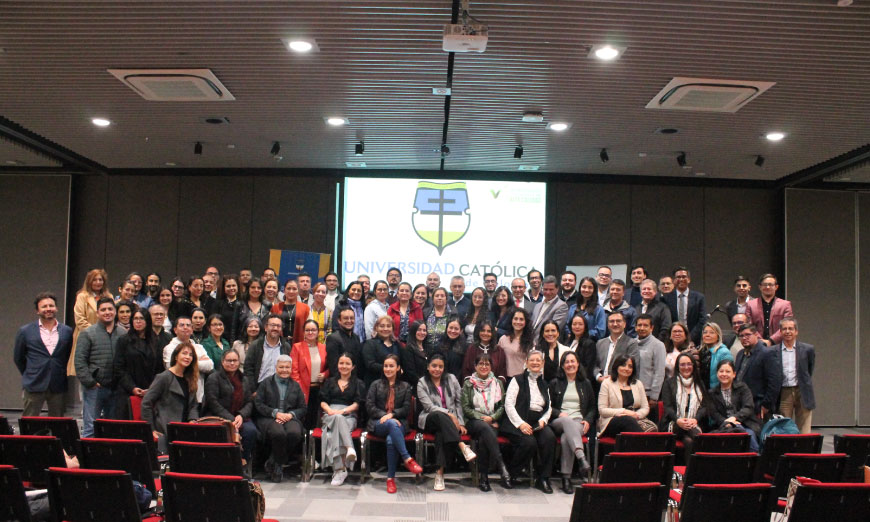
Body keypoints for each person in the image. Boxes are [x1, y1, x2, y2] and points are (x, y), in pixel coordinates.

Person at [417, 353, 477, 491]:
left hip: (449, 424)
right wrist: (450, 415)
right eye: (434, 366)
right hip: (429, 418)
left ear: (444, 368)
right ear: (428, 367)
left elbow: (459, 402)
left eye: (440, 366)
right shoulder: (422, 382)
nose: (437, 369)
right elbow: (429, 407)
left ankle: (439, 474)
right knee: (439, 415)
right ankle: (461, 445)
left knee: (441, 435)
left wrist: (461, 422)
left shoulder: (452, 379)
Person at [366, 354, 424, 493]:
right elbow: (369, 406)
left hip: (400, 423)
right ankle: (407, 459)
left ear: (398, 368)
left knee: (391, 439)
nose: (388, 369)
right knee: (392, 424)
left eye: (391, 366)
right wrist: (385, 416)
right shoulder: (375, 384)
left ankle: (390, 479)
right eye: (386, 366)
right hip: (378, 423)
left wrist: (392, 415)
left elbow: (406, 408)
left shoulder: (405, 386)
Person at [502, 350, 556, 493]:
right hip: (518, 420)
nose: (535, 363)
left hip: (538, 421)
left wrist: (544, 420)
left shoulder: (544, 383)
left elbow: (549, 406)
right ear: (526, 362)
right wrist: (520, 424)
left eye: (539, 360)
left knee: (549, 438)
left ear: (543, 363)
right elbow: (508, 404)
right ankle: (511, 473)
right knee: (529, 443)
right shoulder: (517, 380)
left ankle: (543, 478)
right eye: (532, 360)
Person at [14, 292, 73, 417]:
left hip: (58, 383)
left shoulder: (67, 331)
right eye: (44, 306)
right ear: (37, 311)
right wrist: (31, 372)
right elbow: (18, 358)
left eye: (51, 306)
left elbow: (66, 355)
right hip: (34, 383)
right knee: (30, 422)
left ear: (56, 308)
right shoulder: (25, 331)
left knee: (57, 423)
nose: (48, 309)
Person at [460, 353, 512, 491]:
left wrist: (493, 418)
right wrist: (483, 418)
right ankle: (501, 465)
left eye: (487, 364)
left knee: (485, 440)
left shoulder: (498, 383)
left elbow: (502, 405)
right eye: (481, 364)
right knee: (484, 429)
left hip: (492, 421)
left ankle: (484, 478)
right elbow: (465, 408)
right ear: (475, 366)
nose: (484, 367)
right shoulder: (468, 383)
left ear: (491, 367)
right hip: (473, 421)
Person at [75, 296, 126, 437]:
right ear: (97, 313)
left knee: (112, 428)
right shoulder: (87, 333)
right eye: (103, 310)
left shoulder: (123, 334)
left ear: (115, 312)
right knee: (90, 428)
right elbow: (80, 361)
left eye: (110, 309)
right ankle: (88, 458)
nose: (107, 312)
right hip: (94, 388)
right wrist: (90, 382)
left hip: (115, 389)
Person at [203, 349, 257, 477]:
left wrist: (241, 415)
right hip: (218, 417)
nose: (232, 363)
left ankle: (242, 464)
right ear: (222, 362)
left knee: (251, 431)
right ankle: (225, 466)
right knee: (226, 432)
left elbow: (249, 402)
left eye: (235, 361)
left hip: (240, 417)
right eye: (229, 361)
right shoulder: (214, 377)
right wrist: (231, 419)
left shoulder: (244, 379)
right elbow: (212, 402)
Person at [254, 354, 307, 483]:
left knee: (294, 433)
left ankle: (273, 461)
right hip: (269, 417)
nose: (284, 370)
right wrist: (275, 413)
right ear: (276, 367)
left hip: (289, 417)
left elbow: (302, 408)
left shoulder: (295, 385)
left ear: (291, 368)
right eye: (281, 367)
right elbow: (258, 404)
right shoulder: (266, 383)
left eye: (287, 367)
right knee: (278, 433)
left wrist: (290, 415)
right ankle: (277, 466)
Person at [548, 351, 594, 493]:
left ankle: (566, 478)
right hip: (558, 421)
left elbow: (593, 407)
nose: (570, 365)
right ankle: (581, 457)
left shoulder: (585, 383)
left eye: (573, 361)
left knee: (565, 439)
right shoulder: (555, 383)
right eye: (567, 362)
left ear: (578, 363)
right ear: (562, 366)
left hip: (579, 422)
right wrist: (558, 413)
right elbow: (547, 405)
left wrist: (587, 420)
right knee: (567, 422)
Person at [142, 342, 199, 452]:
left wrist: (193, 419)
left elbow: (194, 405)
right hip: (166, 429)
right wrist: (151, 429)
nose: (187, 357)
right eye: (184, 353)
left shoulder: (190, 378)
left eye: (191, 355)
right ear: (176, 356)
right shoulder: (163, 377)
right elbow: (146, 403)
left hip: (186, 429)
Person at [319, 353, 366, 485]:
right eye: (341, 363)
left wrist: (342, 411)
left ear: (353, 366)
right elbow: (323, 401)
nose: (344, 366)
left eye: (347, 363)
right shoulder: (329, 382)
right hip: (330, 415)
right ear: (337, 365)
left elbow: (357, 404)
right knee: (334, 425)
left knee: (330, 435)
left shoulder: (358, 383)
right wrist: (329, 411)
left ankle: (340, 470)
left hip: (349, 416)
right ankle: (349, 448)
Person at [113, 309, 163, 419]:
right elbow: (119, 368)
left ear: (147, 321)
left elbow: (159, 368)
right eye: (135, 319)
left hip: (150, 391)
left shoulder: (156, 340)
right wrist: (132, 388)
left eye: (141, 318)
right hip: (127, 391)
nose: (138, 321)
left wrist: (152, 388)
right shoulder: (124, 340)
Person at [659, 353, 708, 460]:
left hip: (693, 422)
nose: (686, 367)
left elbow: (704, 406)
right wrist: (678, 420)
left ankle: (688, 474)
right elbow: (667, 407)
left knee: (689, 441)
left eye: (689, 364)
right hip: (673, 422)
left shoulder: (699, 383)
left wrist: (695, 420)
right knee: (694, 434)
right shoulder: (669, 383)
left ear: (693, 366)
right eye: (682, 365)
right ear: (678, 367)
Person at [707, 360, 760, 452]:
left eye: (728, 371)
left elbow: (748, 407)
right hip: (723, 426)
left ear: (734, 374)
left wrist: (734, 418)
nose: (724, 374)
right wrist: (727, 423)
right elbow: (713, 413)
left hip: (745, 424)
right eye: (721, 371)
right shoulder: (712, 393)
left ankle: (755, 460)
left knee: (748, 436)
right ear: (717, 373)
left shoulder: (742, 388)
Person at [774, 317, 815, 433]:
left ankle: (804, 450)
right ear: (780, 332)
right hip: (784, 392)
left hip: (802, 391)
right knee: (784, 425)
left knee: (804, 426)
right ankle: (787, 450)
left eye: (791, 328)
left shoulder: (808, 349)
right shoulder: (773, 351)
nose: (787, 331)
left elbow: (809, 370)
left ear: (796, 331)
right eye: (784, 329)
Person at [70, 269, 113, 379]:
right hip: (86, 336)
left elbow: (112, 318)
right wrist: (97, 333)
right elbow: (80, 320)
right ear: (89, 281)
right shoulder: (82, 296)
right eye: (95, 280)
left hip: (106, 339)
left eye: (100, 279)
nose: (98, 282)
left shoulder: (109, 297)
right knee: (85, 373)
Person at [162, 316, 213, 404]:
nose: (185, 327)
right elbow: (171, 367)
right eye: (182, 325)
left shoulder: (199, 347)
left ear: (192, 330)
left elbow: (210, 365)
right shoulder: (169, 348)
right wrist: (199, 362)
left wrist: (184, 362)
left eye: (188, 325)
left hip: (198, 396)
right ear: (175, 330)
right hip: (177, 395)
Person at [734, 324, 781, 418]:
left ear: (756, 335)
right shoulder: (740, 354)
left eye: (748, 335)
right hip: (741, 404)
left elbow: (774, 382)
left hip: (759, 405)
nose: (744, 338)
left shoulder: (767, 353)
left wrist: (766, 405)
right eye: (741, 336)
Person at [597, 355, 650, 438]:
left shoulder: (638, 384)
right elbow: (602, 410)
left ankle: (641, 447)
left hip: (635, 419)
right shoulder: (607, 383)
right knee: (627, 420)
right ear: (616, 366)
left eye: (630, 366)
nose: (626, 368)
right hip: (612, 420)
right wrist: (624, 412)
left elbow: (645, 407)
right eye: (623, 365)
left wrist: (636, 415)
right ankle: (645, 446)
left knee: (652, 428)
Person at [290, 320, 329, 429]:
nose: (310, 332)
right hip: (303, 390)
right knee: (304, 420)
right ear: (303, 332)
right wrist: (299, 389)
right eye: (307, 330)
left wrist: (325, 374)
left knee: (317, 421)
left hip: (319, 389)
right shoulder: (297, 347)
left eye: (313, 330)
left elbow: (330, 367)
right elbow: (294, 371)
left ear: (318, 332)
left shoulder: (324, 347)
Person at [242, 314, 292, 395]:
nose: (275, 328)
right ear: (265, 328)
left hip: (280, 389)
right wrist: (253, 390)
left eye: (278, 326)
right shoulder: (256, 345)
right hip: (259, 389)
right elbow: (248, 369)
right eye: (272, 325)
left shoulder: (286, 347)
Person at [746, 274, 794, 346]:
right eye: (765, 284)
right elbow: (749, 325)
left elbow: (787, 326)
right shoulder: (750, 305)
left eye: (770, 285)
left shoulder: (785, 305)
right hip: (757, 345)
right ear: (760, 287)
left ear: (776, 287)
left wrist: (771, 341)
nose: (767, 287)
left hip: (778, 345)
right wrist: (760, 341)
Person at [663, 267, 707, 345]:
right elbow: (666, 321)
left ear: (689, 279)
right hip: (672, 341)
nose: (681, 279)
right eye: (678, 277)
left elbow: (702, 319)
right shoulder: (666, 298)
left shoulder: (699, 297)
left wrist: (690, 338)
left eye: (684, 277)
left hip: (693, 341)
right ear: (674, 281)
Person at [635, 314, 666, 419]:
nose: (642, 328)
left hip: (648, 394)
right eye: (639, 325)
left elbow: (659, 372)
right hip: (632, 392)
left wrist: (654, 396)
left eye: (645, 325)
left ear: (651, 328)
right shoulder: (631, 343)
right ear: (635, 327)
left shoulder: (658, 345)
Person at [594, 313, 639, 384]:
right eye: (611, 321)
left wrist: (612, 379)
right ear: (608, 325)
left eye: (618, 321)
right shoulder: (600, 343)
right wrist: (598, 377)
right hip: (600, 385)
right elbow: (594, 365)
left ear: (624, 324)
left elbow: (632, 367)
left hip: (620, 386)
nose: (615, 324)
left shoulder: (631, 343)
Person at [325, 307, 365, 384]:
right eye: (346, 318)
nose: (349, 321)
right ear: (339, 321)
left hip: (355, 382)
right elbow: (333, 367)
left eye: (352, 318)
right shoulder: (333, 338)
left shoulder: (356, 337)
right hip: (339, 384)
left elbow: (358, 363)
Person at [362, 315, 401, 388]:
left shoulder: (397, 345)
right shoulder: (369, 344)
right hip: (375, 385)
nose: (385, 329)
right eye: (382, 326)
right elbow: (370, 365)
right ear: (376, 328)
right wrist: (390, 369)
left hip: (395, 385)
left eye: (388, 326)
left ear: (392, 328)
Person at [561, 314, 597, 390]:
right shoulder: (567, 342)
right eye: (574, 324)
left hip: (580, 383)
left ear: (585, 326)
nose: (577, 327)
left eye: (580, 324)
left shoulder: (590, 344)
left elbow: (588, 368)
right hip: (564, 381)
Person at [565, 276, 606, 341]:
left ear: (594, 290)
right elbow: (567, 325)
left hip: (590, 344)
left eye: (590, 288)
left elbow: (601, 331)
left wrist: (581, 334)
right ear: (580, 288)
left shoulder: (599, 309)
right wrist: (571, 334)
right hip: (573, 342)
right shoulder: (573, 307)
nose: (586, 290)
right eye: (584, 287)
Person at [273, 279, 312, 345]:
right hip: (278, 344)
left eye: (294, 289)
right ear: (284, 290)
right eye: (288, 288)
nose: (291, 291)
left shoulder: (305, 308)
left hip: (300, 344)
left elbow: (310, 328)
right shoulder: (276, 308)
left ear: (298, 291)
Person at [498, 308, 534, 378]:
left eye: (521, 319)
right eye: (515, 319)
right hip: (505, 378)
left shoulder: (531, 342)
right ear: (511, 320)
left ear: (526, 322)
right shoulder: (503, 339)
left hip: (522, 379)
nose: (518, 322)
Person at [696, 323, 733, 390]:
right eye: (705, 332)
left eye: (712, 333)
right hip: (701, 390)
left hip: (716, 392)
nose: (707, 335)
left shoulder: (724, 352)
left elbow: (728, 375)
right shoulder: (699, 350)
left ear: (718, 336)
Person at [400, 320, 429, 387]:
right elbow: (410, 372)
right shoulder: (408, 349)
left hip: (428, 384)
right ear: (413, 331)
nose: (422, 332)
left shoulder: (427, 348)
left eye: (424, 330)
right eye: (419, 330)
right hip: (415, 386)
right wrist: (423, 385)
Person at [424, 287, 452, 352]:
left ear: (446, 298)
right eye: (437, 296)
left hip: (445, 351)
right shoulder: (426, 312)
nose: (439, 298)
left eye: (442, 296)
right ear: (433, 298)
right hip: (427, 350)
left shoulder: (452, 313)